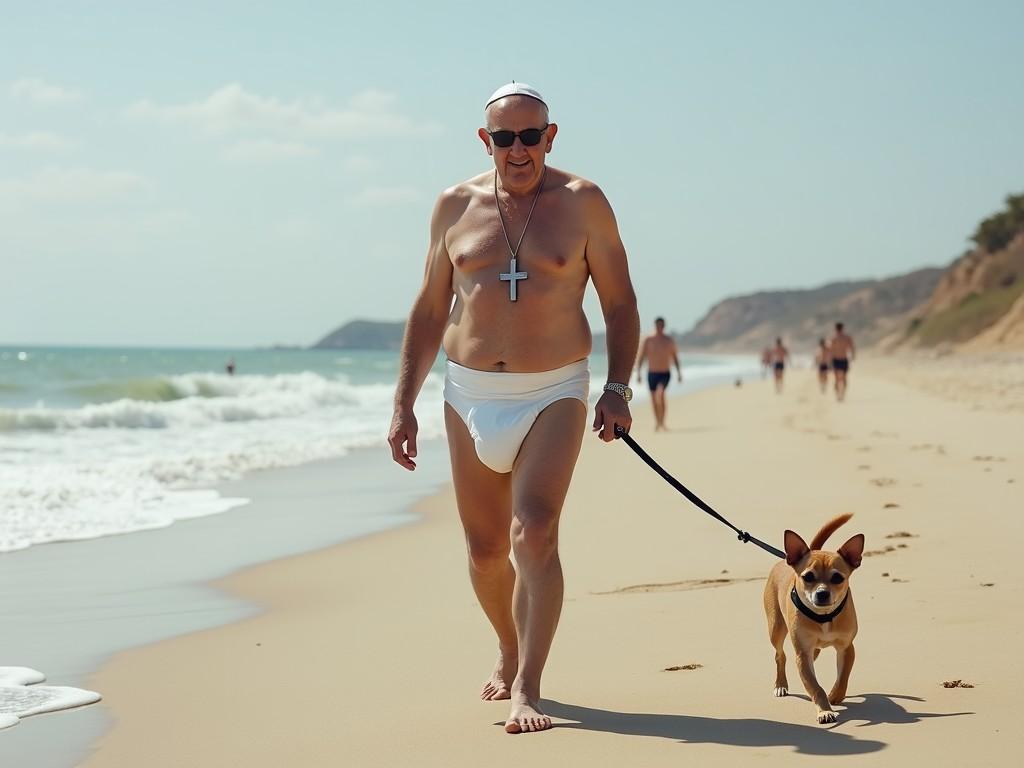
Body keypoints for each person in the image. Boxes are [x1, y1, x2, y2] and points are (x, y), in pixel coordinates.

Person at [387, 82, 639, 735]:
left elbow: (620, 303)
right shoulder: (454, 206)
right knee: (484, 550)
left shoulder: (584, 204)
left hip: (553, 389)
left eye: (532, 136)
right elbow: (428, 308)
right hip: (469, 393)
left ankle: (529, 684)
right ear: (486, 141)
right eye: (506, 138)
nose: (519, 150)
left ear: (550, 137)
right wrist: (403, 404)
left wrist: (617, 388)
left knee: (535, 531)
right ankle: (506, 644)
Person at [636, 317, 682, 431]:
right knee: (653, 399)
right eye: (658, 325)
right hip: (652, 373)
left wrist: (679, 372)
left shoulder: (668, 340)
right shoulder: (648, 340)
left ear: (664, 326)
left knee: (660, 394)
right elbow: (641, 357)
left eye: (661, 325)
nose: (659, 328)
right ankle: (657, 422)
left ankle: (663, 421)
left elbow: (675, 357)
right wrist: (638, 373)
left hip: (664, 373)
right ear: (655, 326)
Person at [829, 322, 856, 402]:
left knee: (837, 378)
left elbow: (830, 350)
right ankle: (842, 394)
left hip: (836, 360)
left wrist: (829, 361)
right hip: (843, 359)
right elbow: (852, 347)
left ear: (835, 329)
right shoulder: (846, 338)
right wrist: (853, 356)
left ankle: (839, 395)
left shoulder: (833, 338)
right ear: (842, 328)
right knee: (843, 378)